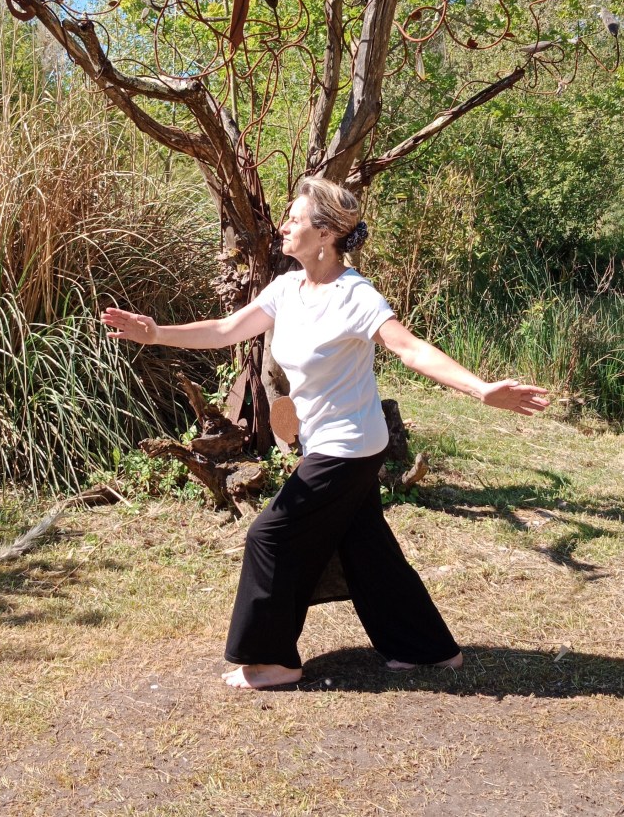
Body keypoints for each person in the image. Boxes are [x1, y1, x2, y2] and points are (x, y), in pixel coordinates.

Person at [101, 178, 549, 690]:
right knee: (365, 546)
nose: (285, 226)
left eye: (295, 219)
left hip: (349, 447)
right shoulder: (287, 288)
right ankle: (429, 651)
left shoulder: (355, 295)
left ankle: (272, 661)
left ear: (326, 234)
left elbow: (411, 348)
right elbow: (227, 330)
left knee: (269, 535)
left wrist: (481, 389)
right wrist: (156, 332)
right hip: (333, 442)